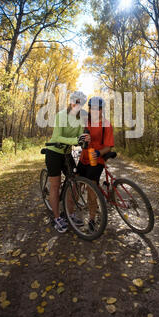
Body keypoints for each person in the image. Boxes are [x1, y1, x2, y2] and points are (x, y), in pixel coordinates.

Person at [45, 91, 90, 233]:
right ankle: (57, 218)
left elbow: (78, 136)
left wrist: (83, 140)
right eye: (76, 102)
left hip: (66, 153)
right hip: (54, 152)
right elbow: (57, 136)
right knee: (55, 185)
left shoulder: (80, 119)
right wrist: (75, 141)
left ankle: (69, 214)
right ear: (71, 102)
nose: (78, 105)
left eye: (81, 103)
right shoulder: (61, 116)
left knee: (75, 181)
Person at [77, 96, 114, 231]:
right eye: (91, 108)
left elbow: (108, 147)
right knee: (76, 184)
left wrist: (99, 153)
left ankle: (92, 219)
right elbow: (82, 141)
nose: (94, 111)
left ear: (101, 109)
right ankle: (70, 213)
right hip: (83, 158)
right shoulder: (86, 122)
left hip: (96, 161)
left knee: (91, 189)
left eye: (97, 109)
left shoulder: (106, 125)